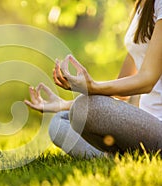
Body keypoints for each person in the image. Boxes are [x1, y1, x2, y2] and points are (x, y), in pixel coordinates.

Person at [24, 0, 162, 158]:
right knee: (59, 123)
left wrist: (92, 87)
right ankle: (121, 154)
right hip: (147, 123)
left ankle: (115, 154)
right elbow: (121, 92)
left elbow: (147, 80)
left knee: (84, 108)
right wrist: (63, 104)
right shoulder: (140, 5)